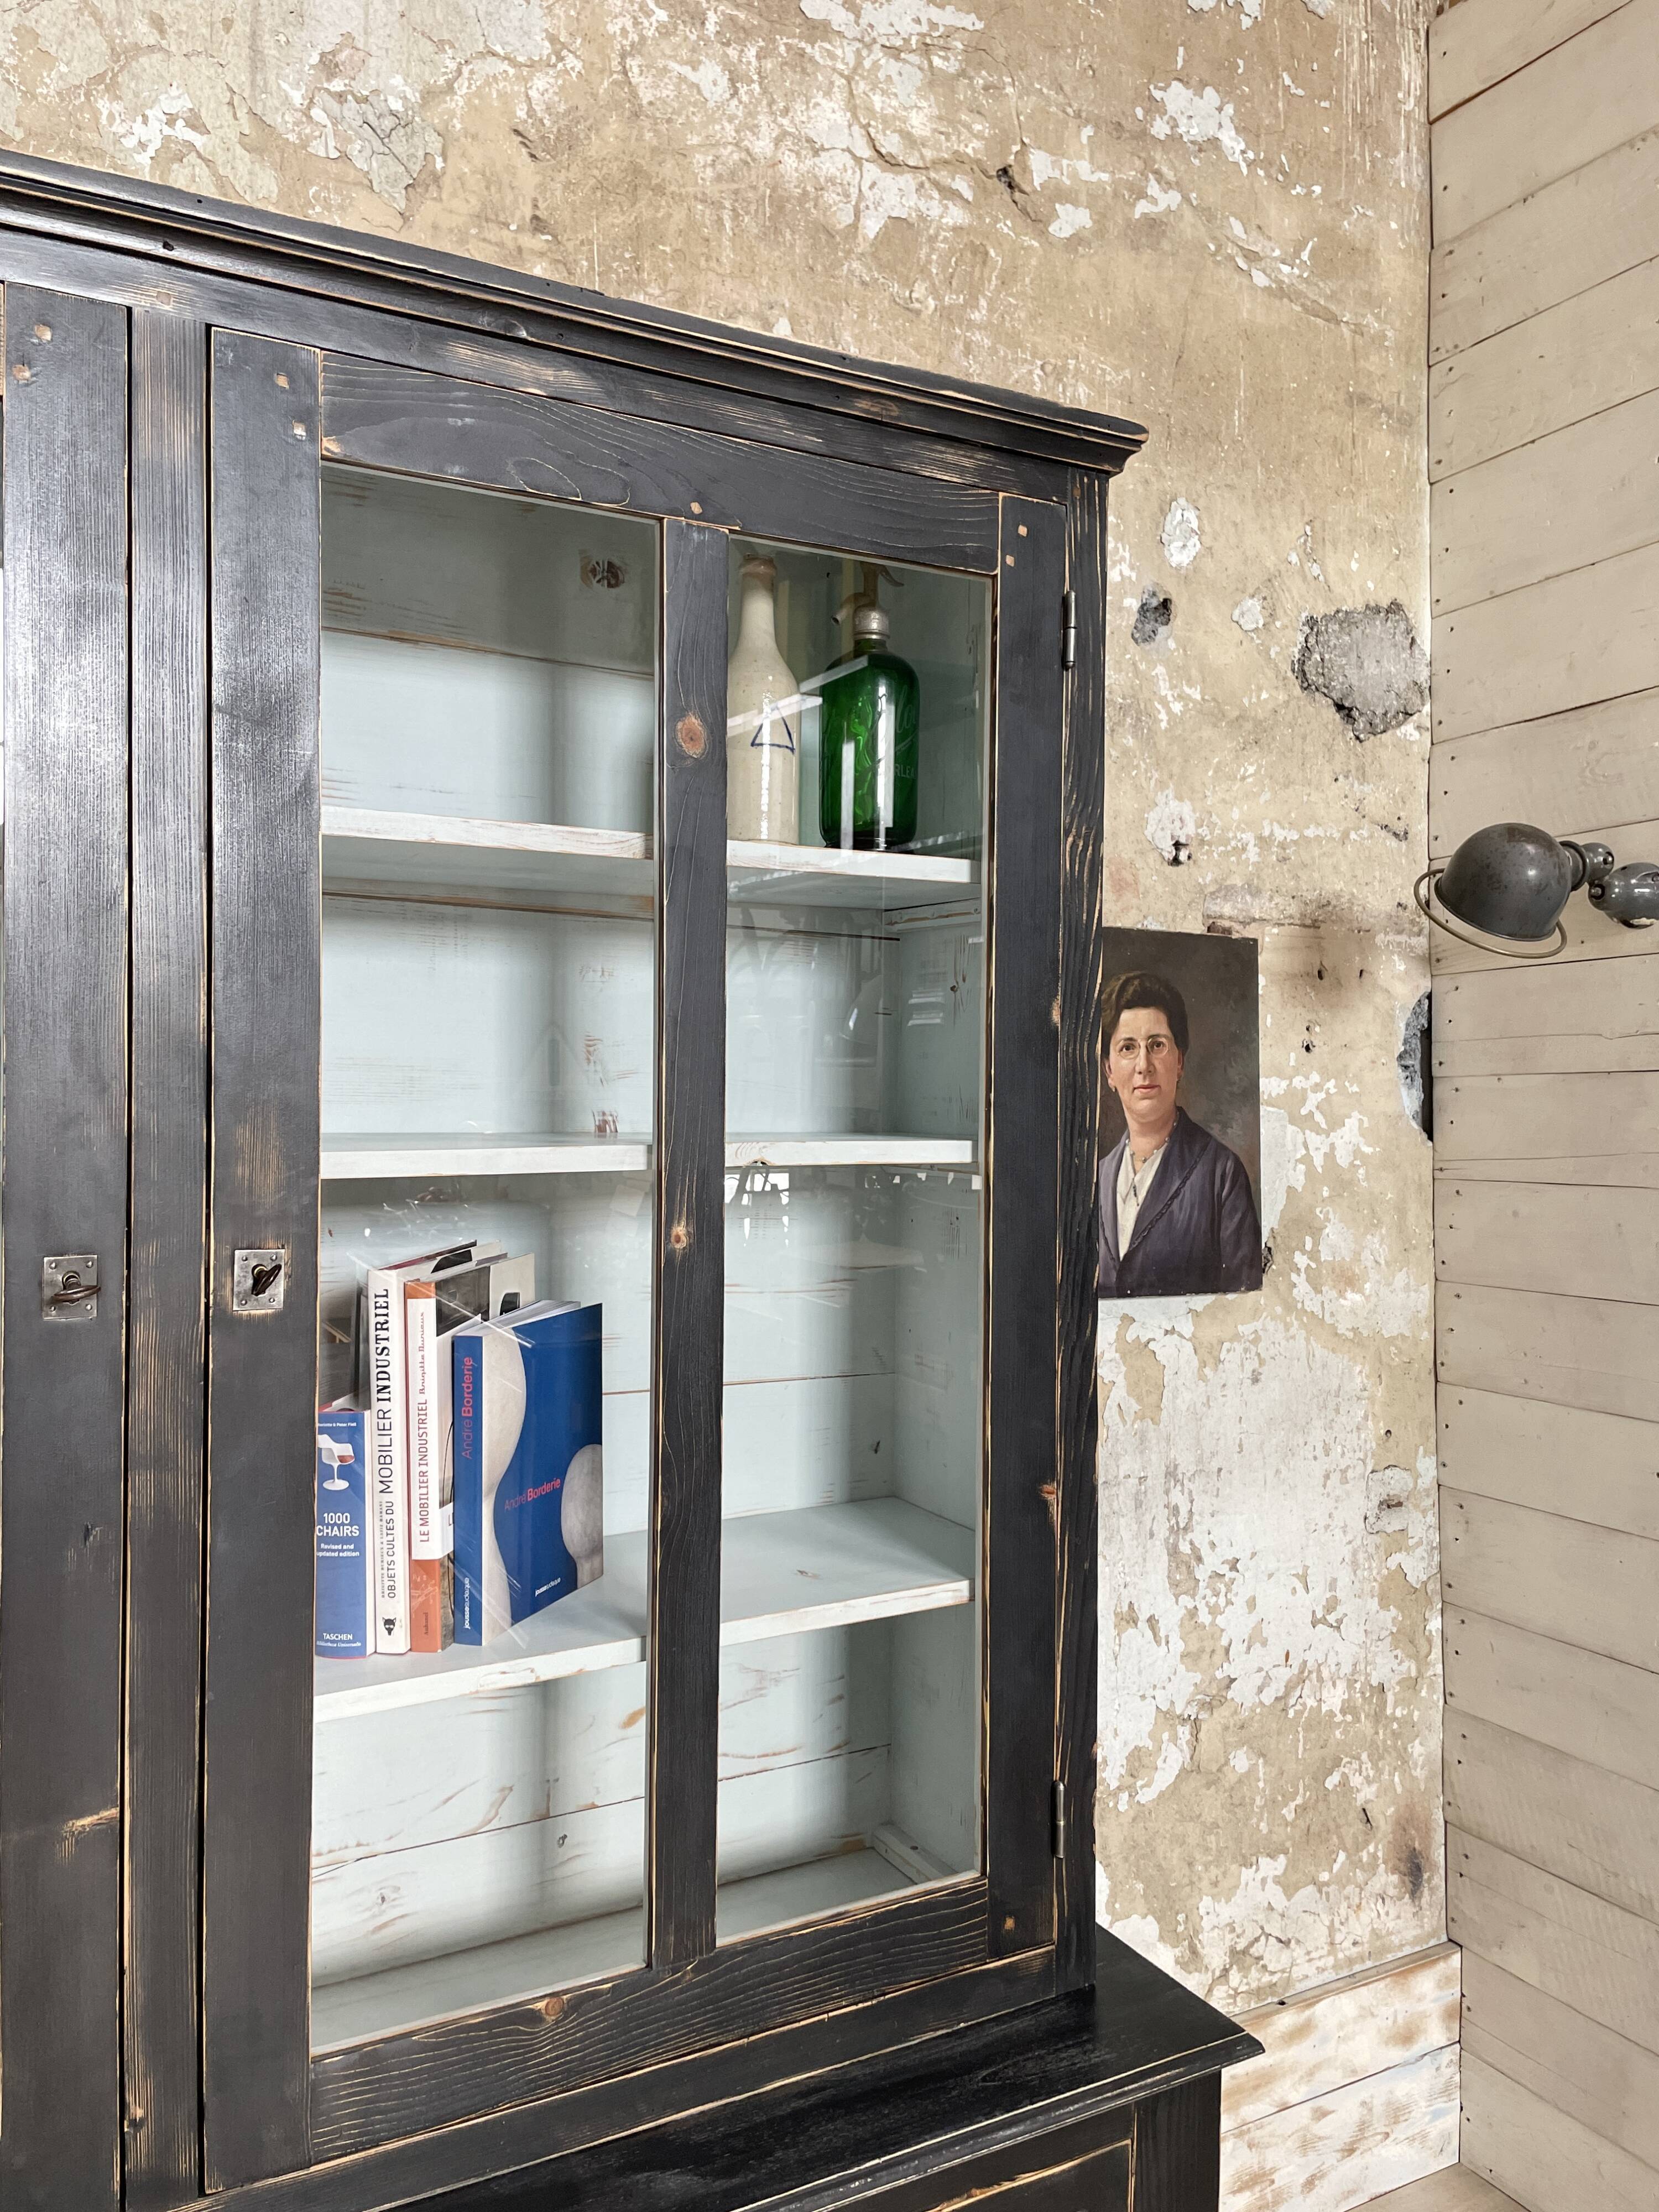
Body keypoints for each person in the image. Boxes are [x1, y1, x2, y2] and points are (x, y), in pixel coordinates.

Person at [1097, 969, 1261, 1297]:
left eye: (1157, 1045)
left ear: (1180, 1061)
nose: (1144, 1065)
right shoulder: (1097, 1177)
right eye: (1128, 1048)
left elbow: (1245, 1307)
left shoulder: (1222, 1175)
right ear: (1109, 1071)